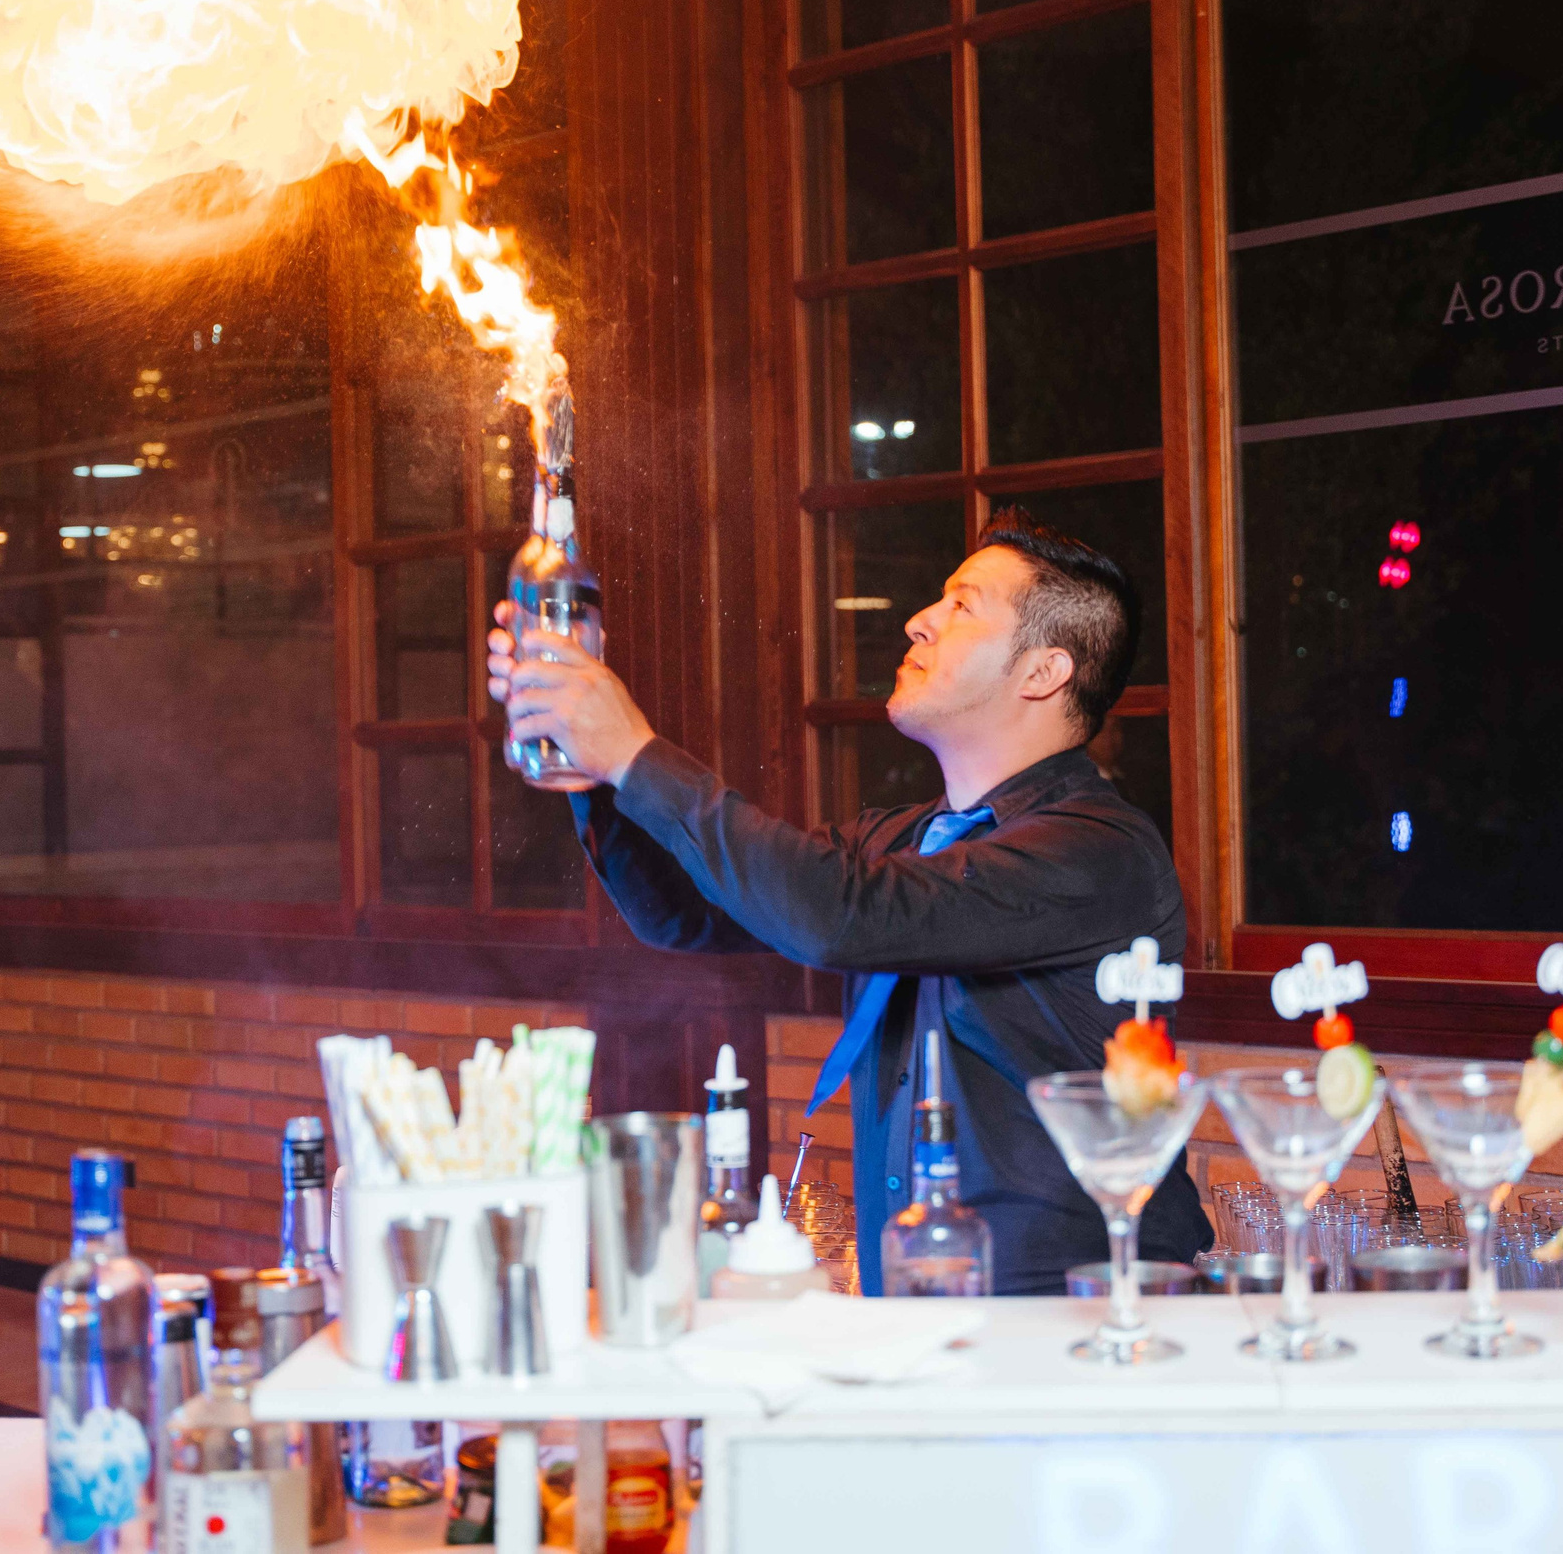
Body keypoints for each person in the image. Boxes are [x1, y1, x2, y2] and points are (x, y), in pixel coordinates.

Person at [486, 507, 1212, 1294]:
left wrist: (634, 747)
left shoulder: (1098, 850)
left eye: (962, 605)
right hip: (920, 1312)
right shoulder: (900, 840)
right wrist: (592, 769)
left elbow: (839, 916)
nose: (919, 621)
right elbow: (683, 913)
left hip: (1074, 1325)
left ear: (1043, 672)